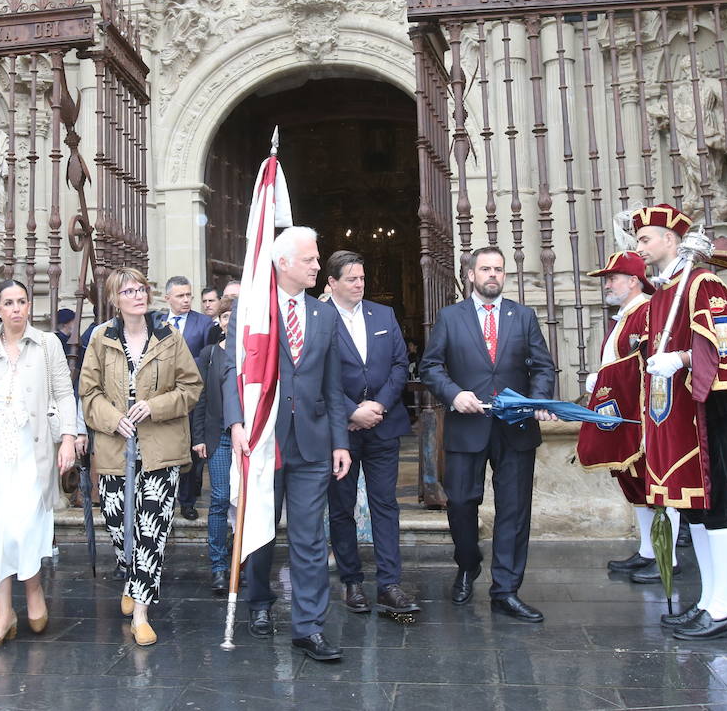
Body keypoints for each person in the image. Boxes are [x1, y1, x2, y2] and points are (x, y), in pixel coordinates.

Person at [632, 204, 727, 640]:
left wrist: (683, 357)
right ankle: (708, 599)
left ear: (670, 239)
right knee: (694, 516)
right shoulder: (662, 292)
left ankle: (723, 607)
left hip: (707, 416)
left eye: (645, 239)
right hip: (675, 420)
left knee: (718, 512)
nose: (639, 247)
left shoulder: (702, 283)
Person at [223, 226, 351, 662]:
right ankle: (259, 604)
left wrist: (340, 441)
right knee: (261, 531)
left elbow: (334, 386)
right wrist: (236, 422)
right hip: (263, 441)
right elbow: (231, 370)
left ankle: (309, 627)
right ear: (283, 263)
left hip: (313, 445)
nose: (319, 265)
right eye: (311, 259)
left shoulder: (324, 314)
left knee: (310, 538)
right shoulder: (253, 310)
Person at [419, 246, 556, 623]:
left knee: (514, 510)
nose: (493, 275)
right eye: (486, 269)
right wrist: (454, 394)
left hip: (516, 427)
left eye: (499, 269)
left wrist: (538, 399)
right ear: (470, 275)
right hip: (467, 424)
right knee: (461, 503)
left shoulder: (523, 316)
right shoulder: (450, 318)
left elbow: (543, 367)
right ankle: (467, 564)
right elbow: (430, 367)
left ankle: (506, 590)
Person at [0, 280, 82, 651]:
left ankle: (34, 586)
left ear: (29, 305)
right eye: (8, 302)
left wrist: (69, 438)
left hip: (32, 447)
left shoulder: (47, 345)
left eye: (21, 301)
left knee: (25, 525)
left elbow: (63, 392)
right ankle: (3, 613)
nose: (15, 309)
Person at [79, 267, 202, 647]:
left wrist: (155, 406)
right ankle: (132, 578)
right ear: (115, 299)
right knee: (121, 529)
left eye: (142, 289)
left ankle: (143, 613)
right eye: (129, 291)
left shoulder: (169, 337)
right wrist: (113, 419)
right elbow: (88, 393)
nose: (138, 295)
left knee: (151, 531)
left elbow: (191, 387)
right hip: (117, 450)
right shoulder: (101, 338)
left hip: (161, 450)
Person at [323, 250, 419, 617]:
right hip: (340, 431)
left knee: (385, 505)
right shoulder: (318, 318)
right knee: (342, 508)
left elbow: (399, 364)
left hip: (383, 424)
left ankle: (389, 584)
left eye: (362, 278)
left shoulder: (383, 314)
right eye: (351, 279)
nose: (359, 284)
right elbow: (315, 372)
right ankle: (351, 582)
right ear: (331, 283)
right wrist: (351, 411)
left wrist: (377, 406)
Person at [575, 252, 682, 582]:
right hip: (623, 416)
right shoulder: (622, 316)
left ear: (633, 281)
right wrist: (601, 376)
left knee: (656, 486)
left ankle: (669, 557)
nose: (607, 285)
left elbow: (647, 362)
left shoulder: (647, 311)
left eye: (613, 278)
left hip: (643, 417)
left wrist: (605, 378)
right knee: (635, 485)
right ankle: (648, 551)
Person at [163, 275, 216, 521]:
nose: (186, 300)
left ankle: (187, 501)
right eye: (180, 296)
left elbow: (207, 359)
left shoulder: (204, 323)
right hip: (162, 398)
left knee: (191, 452)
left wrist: (181, 365)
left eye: (188, 295)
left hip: (192, 397)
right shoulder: (156, 321)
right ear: (168, 298)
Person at [191, 296, 234, 594]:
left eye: (237, 315)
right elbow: (201, 399)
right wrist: (198, 439)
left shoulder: (257, 352)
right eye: (226, 315)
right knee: (220, 498)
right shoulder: (208, 354)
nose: (231, 320)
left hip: (251, 439)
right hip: (218, 437)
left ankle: (244, 563)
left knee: (247, 503)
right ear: (218, 321)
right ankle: (219, 566)